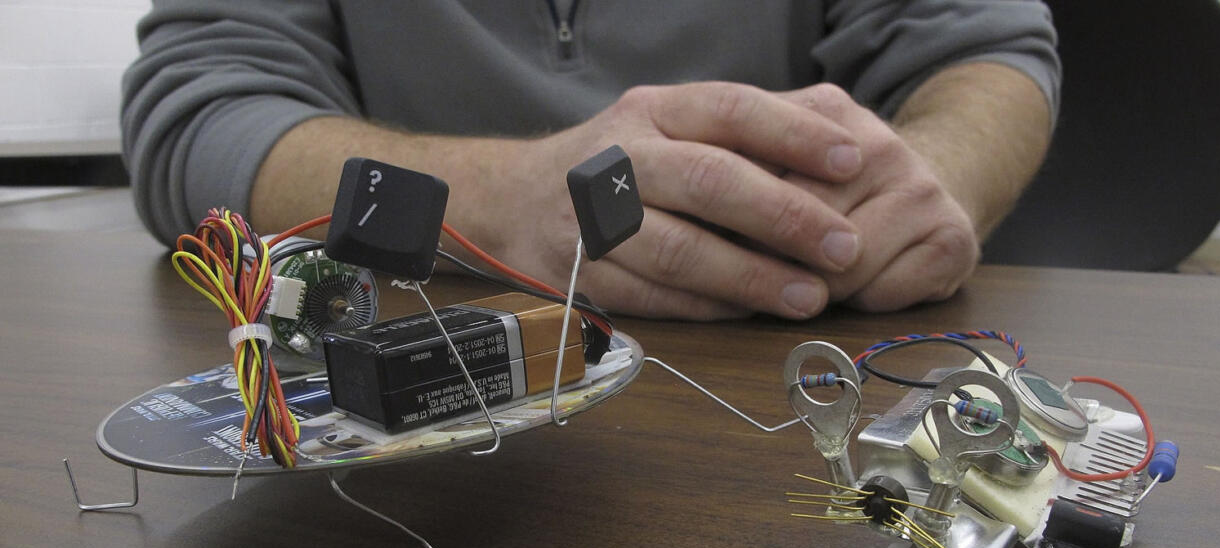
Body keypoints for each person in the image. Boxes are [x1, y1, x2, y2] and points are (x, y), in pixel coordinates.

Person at [122, 0, 1059, 320]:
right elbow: (198, 118)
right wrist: (497, 205)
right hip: (424, 405)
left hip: (785, 361)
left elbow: (984, 55)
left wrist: (926, 182)